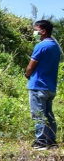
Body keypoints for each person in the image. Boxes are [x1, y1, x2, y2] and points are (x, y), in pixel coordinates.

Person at [26, 19, 61, 150]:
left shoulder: (41, 46)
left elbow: (31, 66)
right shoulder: (55, 47)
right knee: (49, 114)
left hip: (38, 85)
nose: (35, 32)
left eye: (36, 29)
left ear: (43, 31)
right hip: (50, 86)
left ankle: (41, 141)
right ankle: (51, 140)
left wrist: (27, 75)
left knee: (38, 114)